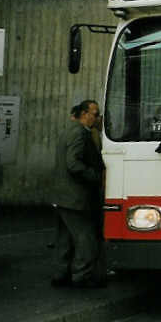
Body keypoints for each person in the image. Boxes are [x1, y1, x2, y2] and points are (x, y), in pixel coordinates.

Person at [51, 99, 106, 288]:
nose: (97, 118)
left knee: (64, 239)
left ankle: (60, 274)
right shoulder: (80, 134)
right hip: (76, 196)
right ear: (85, 114)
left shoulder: (68, 131)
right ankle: (81, 275)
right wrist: (94, 176)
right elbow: (73, 163)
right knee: (86, 237)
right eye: (95, 114)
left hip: (62, 196)